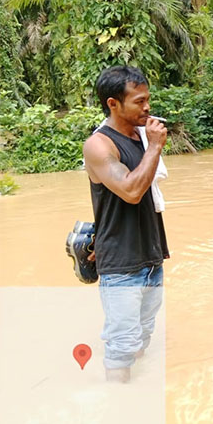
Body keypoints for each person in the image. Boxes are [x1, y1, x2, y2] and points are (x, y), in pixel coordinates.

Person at [82, 66, 169, 382]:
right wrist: (156, 147)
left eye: (148, 99)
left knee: (143, 334)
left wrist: (151, 143)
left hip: (150, 256)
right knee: (121, 347)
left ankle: (138, 392)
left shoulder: (141, 135)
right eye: (139, 101)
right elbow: (132, 191)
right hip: (121, 263)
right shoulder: (100, 145)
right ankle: (118, 408)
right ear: (113, 104)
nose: (147, 107)